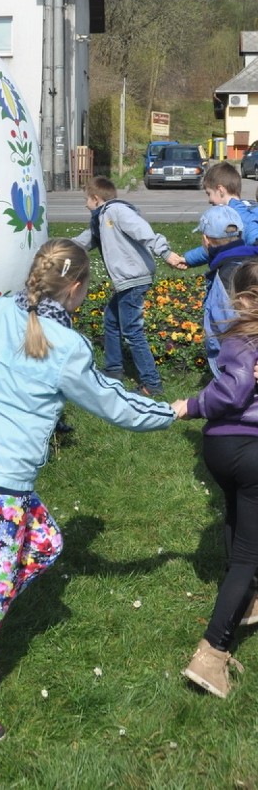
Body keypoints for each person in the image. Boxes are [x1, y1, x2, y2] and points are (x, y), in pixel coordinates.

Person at [0, 237, 178, 744]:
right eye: (86, 288)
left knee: (46, 544)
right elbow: (116, 405)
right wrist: (174, 411)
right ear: (74, 288)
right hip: (3, 479)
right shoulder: (67, 348)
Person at [173, 259, 258, 699]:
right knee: (249, 555)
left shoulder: (237, 335)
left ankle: (245, 603)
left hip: (219, 449)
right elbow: (235, 390)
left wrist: (195, 405)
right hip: (252, 450)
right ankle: (212, 653)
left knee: (235, 518)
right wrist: (192, 402)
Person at [72, 176, 184, 396]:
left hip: (134, 278)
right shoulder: (100, 219)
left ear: (96, 198)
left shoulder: (116, 212)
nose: (85, 204)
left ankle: (151, 384)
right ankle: (114, 369)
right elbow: (85, 241)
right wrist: (58, 248)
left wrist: (166, 252)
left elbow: (142, 230)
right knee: (111, 320)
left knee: (133, 331)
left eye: (86, 199)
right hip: (128, 280)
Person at [186, 205, 258, 375]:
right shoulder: (253, 265)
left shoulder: (223, 277)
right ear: (240, 234)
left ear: (206, 240)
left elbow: (225, 330)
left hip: (236, 373)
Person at [179, 162, 258, 271]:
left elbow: (217, 244)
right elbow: (220, 245)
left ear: (220, 190)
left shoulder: (236, 216)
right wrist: (188, 259)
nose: (209, 200)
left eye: (209, 193)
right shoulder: (249, 207)